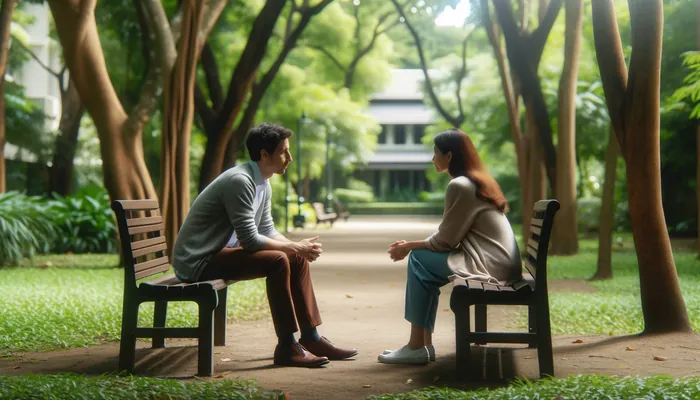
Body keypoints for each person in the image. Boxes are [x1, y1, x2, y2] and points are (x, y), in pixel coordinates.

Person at [172, 122, 358, 368]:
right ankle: (287, 347)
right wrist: (293, 247)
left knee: (295, 257)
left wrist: (297, 247)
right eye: (284, 151)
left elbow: (266, 229)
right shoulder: (241, 181)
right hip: (198, 261)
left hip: (220, 254)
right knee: (278, 260)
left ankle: (311, 338)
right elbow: (250, 240)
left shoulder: (263, 181)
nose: (289, 158)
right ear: (264, 154)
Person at [378, 129, 522, 365]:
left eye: (435, 152)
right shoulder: (474, 182)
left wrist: (409, 247)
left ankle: (418, 346)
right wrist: (413, 245)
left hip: (490, 265)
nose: (433, 158)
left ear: (450, 156)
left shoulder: (460, 185)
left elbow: (446, 240)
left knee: (417, 259)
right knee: (422, 262)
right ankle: (421, 346)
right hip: (500, 263)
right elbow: (448, 233)